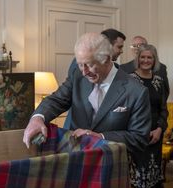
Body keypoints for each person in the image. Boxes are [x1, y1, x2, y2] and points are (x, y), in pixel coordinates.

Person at [23, 32, 151, 157]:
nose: (84, 72)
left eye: (89, 65)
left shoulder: (136, 91)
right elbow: (57, 100)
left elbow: (139, 138)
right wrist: (37, 118)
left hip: (108, 165)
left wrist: (100, 137)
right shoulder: (77, 75)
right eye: (80, 64)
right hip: (71, 157)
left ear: (106, 59)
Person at [128, 44, 169, 188]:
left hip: (156, 133)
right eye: (142, 57)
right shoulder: (129, 79)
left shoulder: (159, 80)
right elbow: (126, 110)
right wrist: (140, 131)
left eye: (149, 57)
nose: (146, 60)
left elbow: (164, 110)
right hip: (137, 133)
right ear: (137, 59)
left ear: (154, 60)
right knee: (140, 174)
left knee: (154, 170)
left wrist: (159, 129)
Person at [63, 28, 126, 129]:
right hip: (75, 131)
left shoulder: (124, 78)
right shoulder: (80, 67)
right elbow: (68, 95)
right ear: (107, 46)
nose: (84, 72)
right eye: (119, 47)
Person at [120, 35, 169, 100]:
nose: (136, 48)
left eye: (140, 45)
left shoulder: (161, 68)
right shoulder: (123, 68)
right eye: (134, 46)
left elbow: (165, 93)